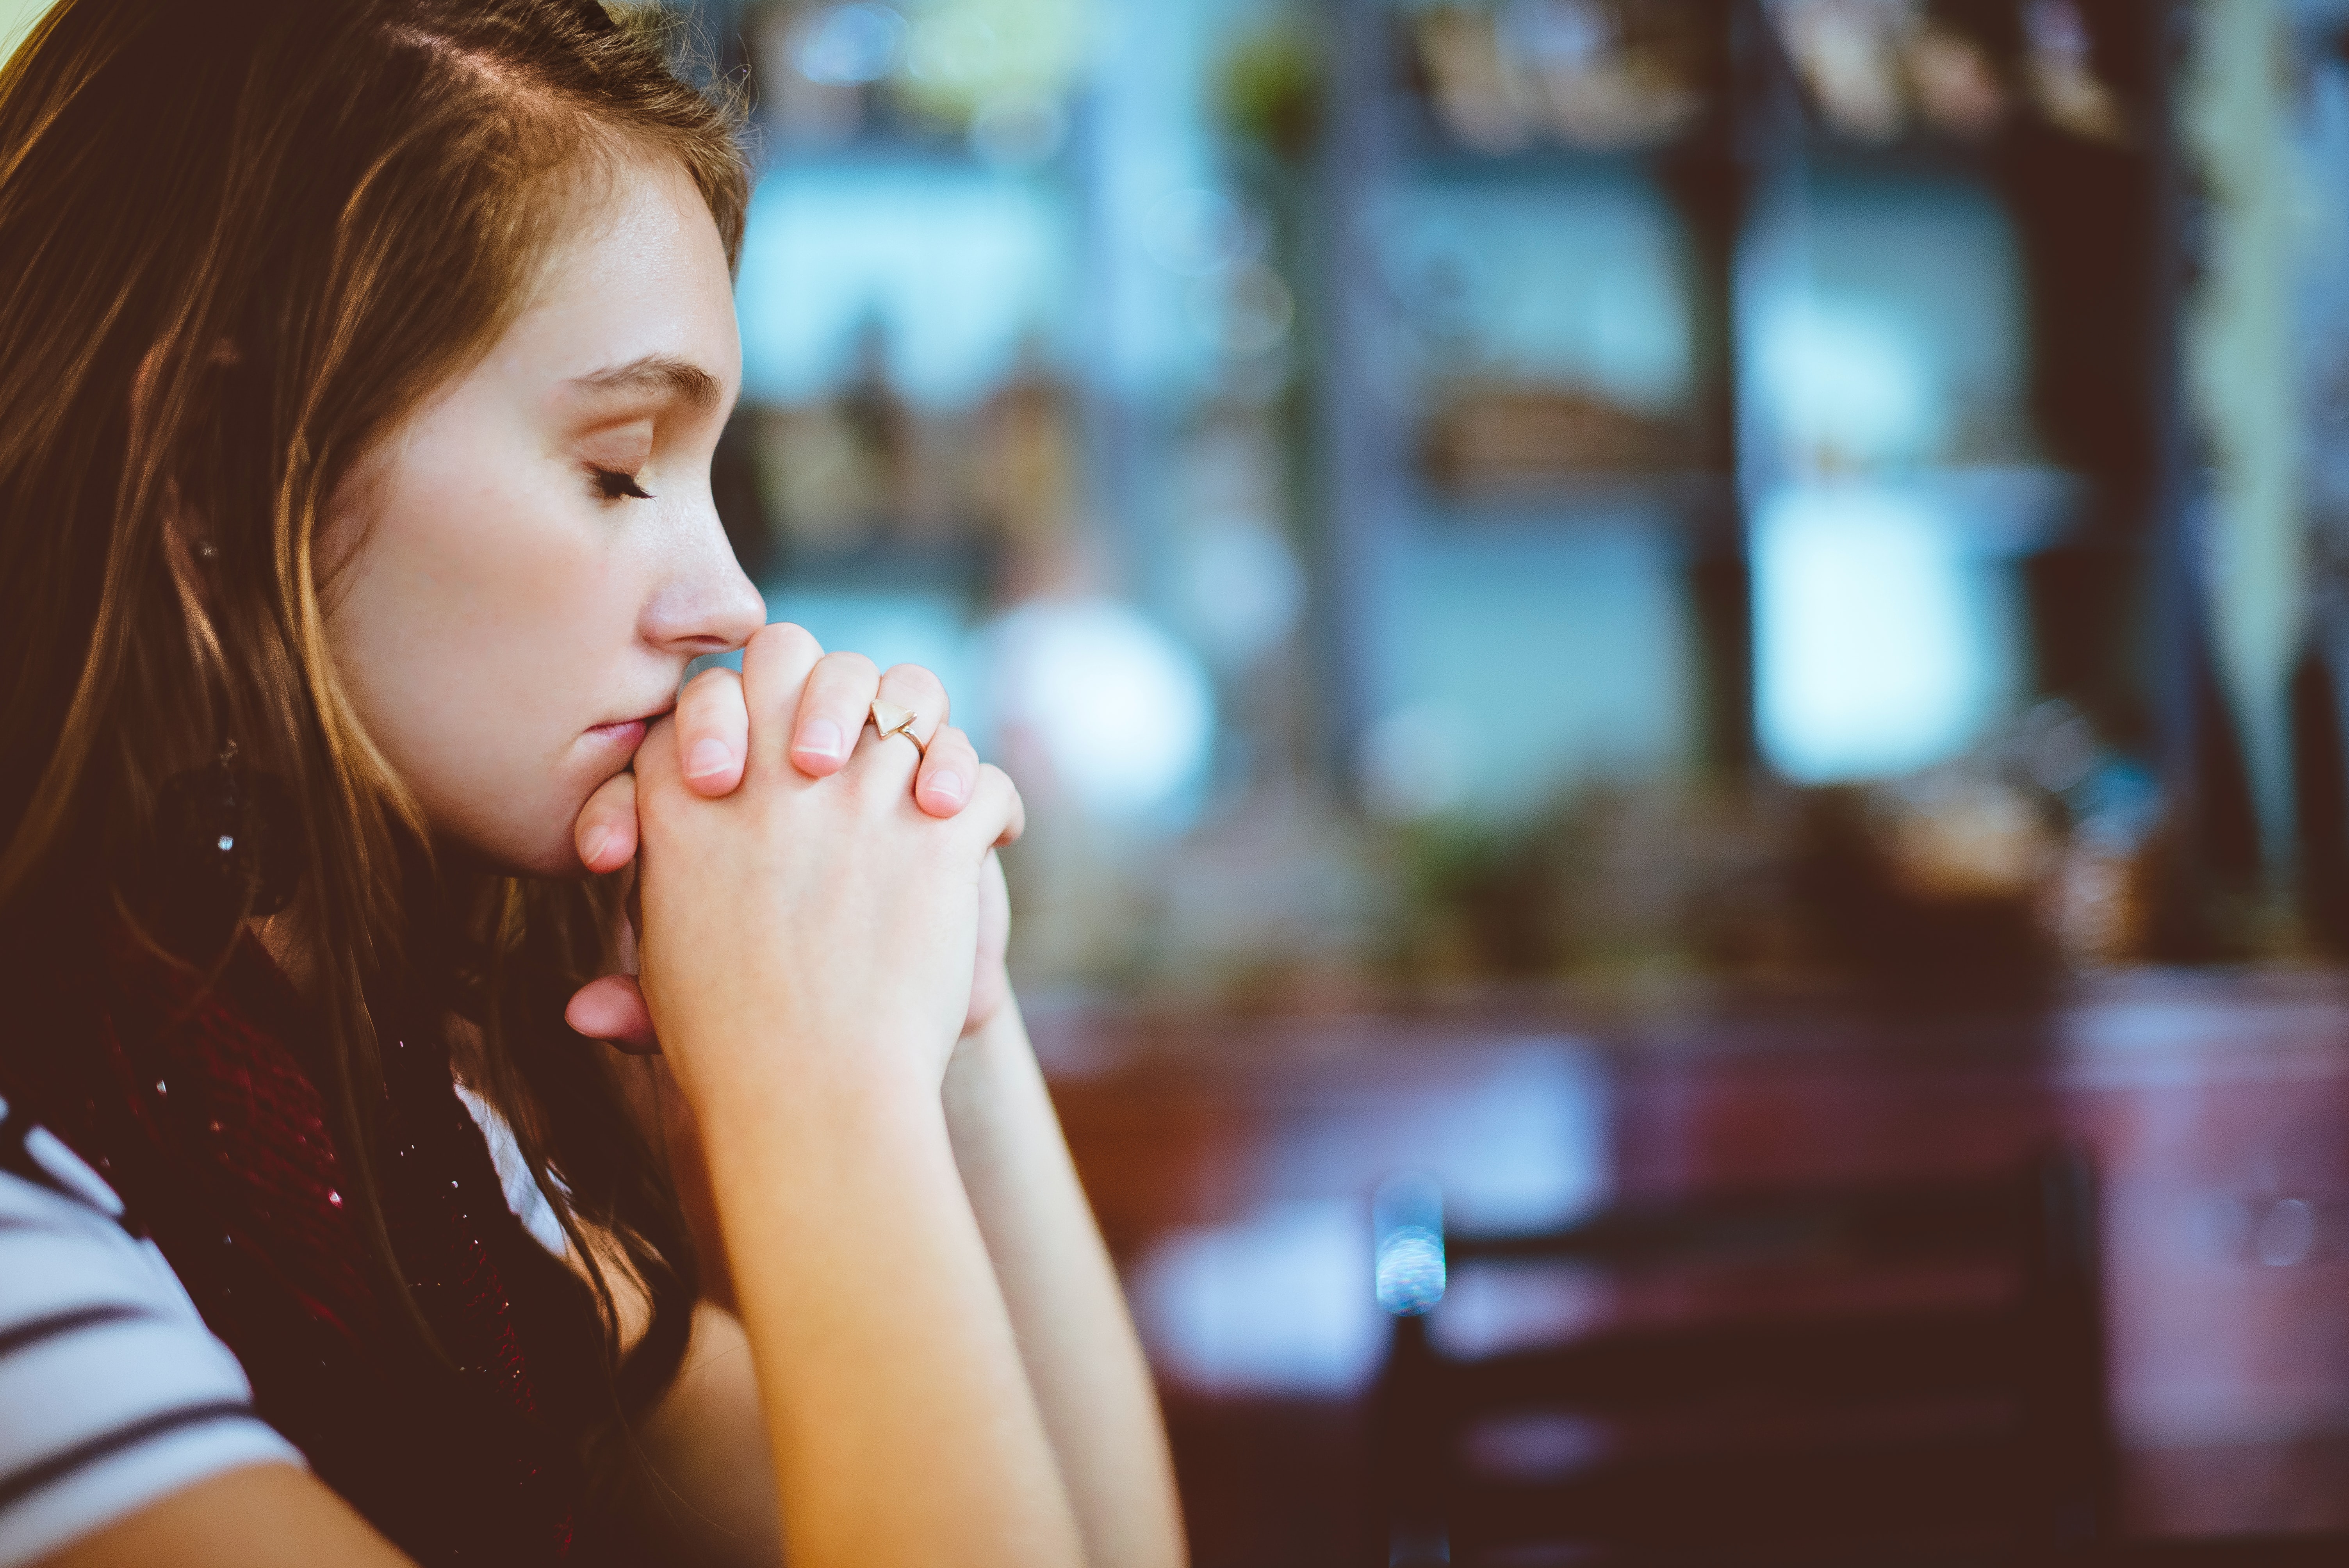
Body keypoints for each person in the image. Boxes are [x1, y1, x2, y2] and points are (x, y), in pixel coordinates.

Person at [0, 2, 1186, 1565]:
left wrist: (939, 997)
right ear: (222, 467)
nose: (735, 602)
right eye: (621, 462)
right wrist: (813, 1086)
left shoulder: (394, 1126)